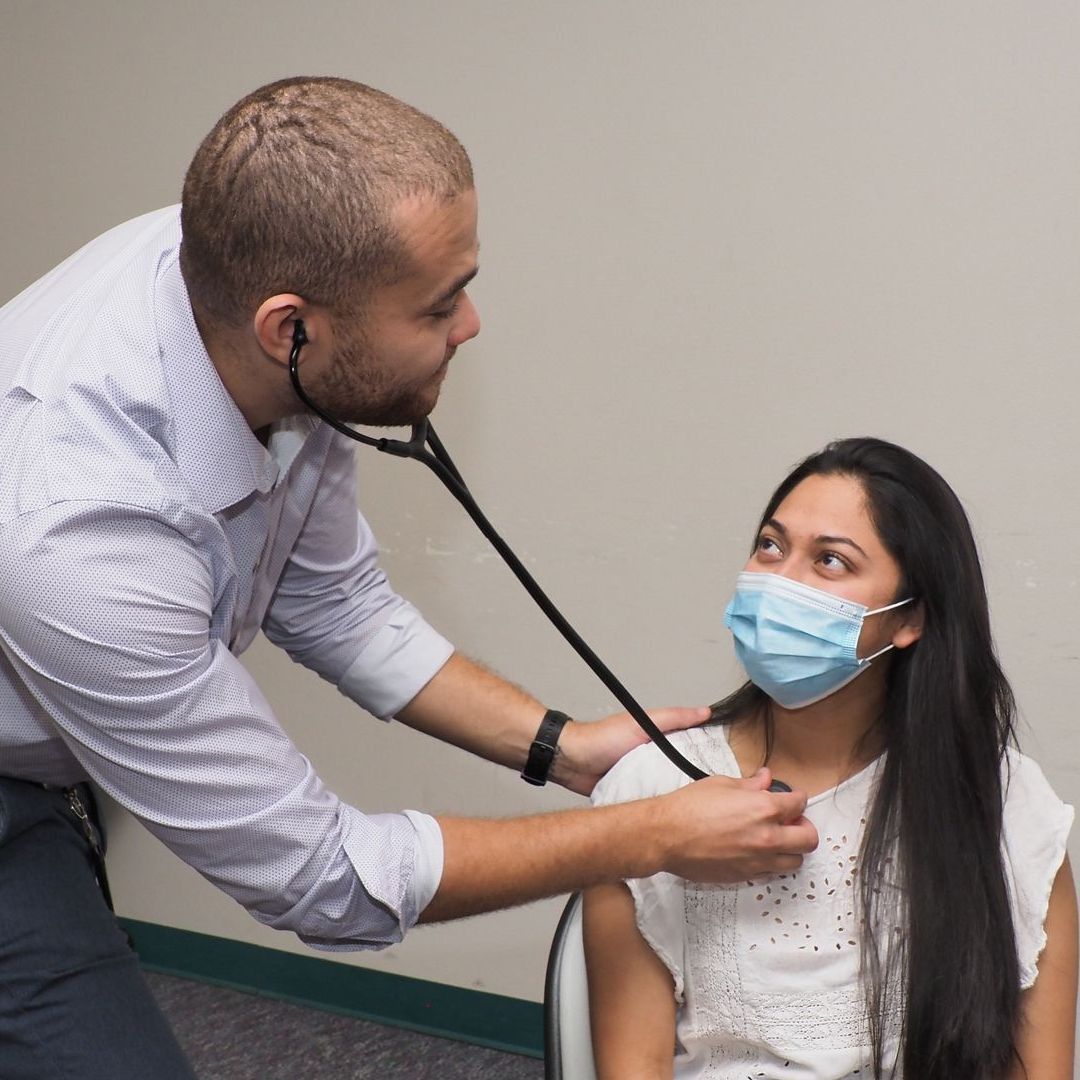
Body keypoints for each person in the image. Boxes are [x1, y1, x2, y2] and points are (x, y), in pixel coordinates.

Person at [0, 77, 817, 1078]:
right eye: (439, 304)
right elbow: (320, 879)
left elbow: (333, 600)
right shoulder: (77, 532)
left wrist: (565, 750)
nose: (470, 324)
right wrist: (644, 833)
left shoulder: (256, 284)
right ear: (289, 328)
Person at [584, 437, 1077, 1079]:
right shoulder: (650, 788)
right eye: (771, 545)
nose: (780, 582)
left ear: (909, 620)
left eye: (830, 562)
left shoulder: (1002, 799)